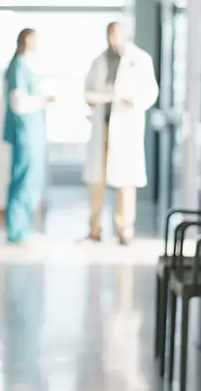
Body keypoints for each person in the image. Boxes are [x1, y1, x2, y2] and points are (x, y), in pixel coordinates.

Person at [82, 22, 159, 245]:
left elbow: (151, 93)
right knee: (97, 179)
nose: (112, 39)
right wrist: (92, 98)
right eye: (109, 35)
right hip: (101, 125)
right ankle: (94, 230)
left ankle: (124, 230)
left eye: (116, 35)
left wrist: (132, 100)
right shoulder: (99, 60)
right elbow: (88, 90)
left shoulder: (140, 59)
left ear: (126, 35)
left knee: (126, 180)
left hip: (125, 125)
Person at [3, 28, 54, 245]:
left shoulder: (27, 65)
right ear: (27, 40)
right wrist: (43, 100)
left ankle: (26, 227)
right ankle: (18, 230)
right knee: (23, 180)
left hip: (32, 132)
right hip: (25, 131)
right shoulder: (20, 66)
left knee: (30, 180)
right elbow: (18, 103)